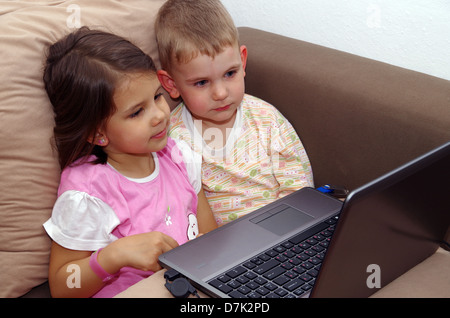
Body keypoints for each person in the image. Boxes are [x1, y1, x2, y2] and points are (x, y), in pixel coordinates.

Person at [42, 27, 217, 298]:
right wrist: (113, 257)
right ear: (97, 133)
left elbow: (209, 237)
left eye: (157, 96)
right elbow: (63, 288)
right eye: (137, 112)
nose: (159, 115)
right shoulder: (88, 193)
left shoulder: (179, 157)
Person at [155, 0, 314, 226]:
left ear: (242, 61)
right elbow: (176, 210)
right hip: (221, 247)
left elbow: (298, 186)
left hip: (284, 231)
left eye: (230, 73)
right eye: (201, 82)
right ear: (171, 84)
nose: (220, 93)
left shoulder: (266, 119)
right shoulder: (171, 138)